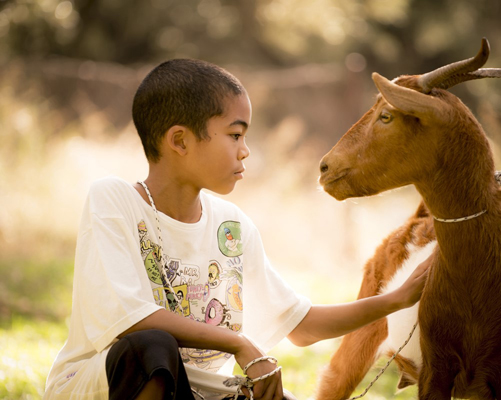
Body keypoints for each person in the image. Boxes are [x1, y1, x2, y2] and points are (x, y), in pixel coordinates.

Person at [44, 59, 430, 400]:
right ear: (180, 140)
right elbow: (131, 318)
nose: (245, 150)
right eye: (235, 135)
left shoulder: (231, 227)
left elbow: (302, 325)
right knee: (151, 348)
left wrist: (397, 299)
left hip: (209, 393)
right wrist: (239, 344)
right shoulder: (114, 200)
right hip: (103, 386)